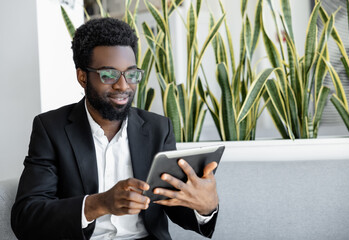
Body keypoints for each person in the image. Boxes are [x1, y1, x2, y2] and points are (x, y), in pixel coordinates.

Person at [11, 18, 219, 240]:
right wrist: (99, 203)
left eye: (131, 74)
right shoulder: (51, 129)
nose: (123, 85)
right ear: (82, 77)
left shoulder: (159, 129)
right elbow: (26, 217)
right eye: (108, 74)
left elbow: (174, 204)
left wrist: (205, 207)